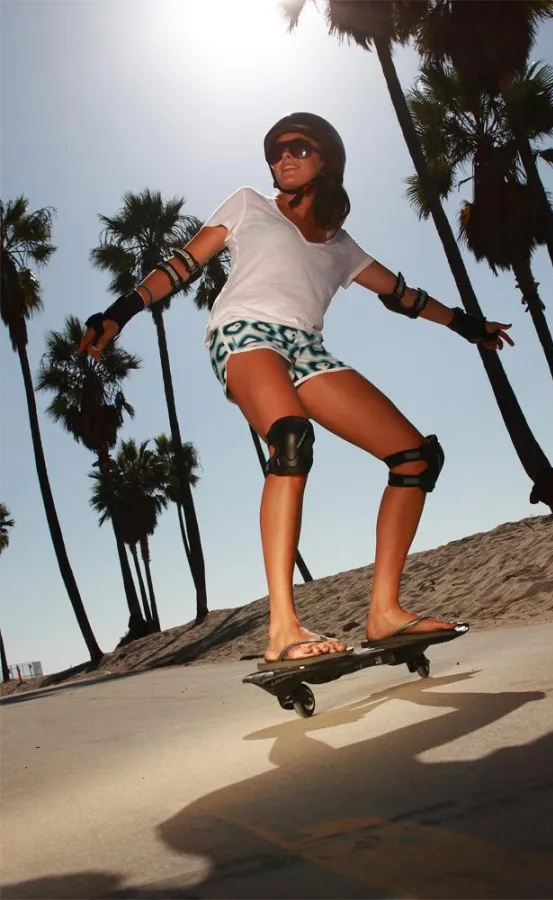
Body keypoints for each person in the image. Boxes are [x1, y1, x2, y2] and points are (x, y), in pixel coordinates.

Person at [78, 112, 514, 671]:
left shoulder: (342, 245)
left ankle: (384, 612)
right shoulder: (248, 205)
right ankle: (283, 628)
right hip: (243, 334)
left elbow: (402, 295)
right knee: (290, 439)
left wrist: (466, 324)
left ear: (326, 158)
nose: (281, 158)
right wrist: (119, 313)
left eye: (296, 148)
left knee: (415, 457)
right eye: (275, 151)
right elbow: (183, 264)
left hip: (307, 348)